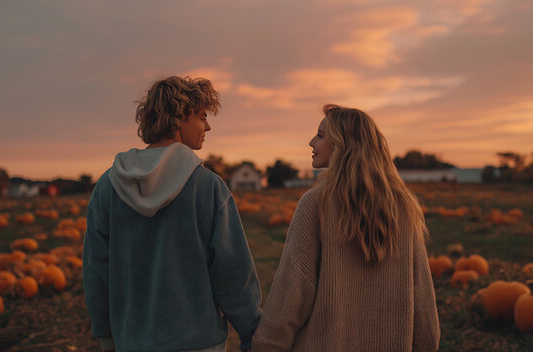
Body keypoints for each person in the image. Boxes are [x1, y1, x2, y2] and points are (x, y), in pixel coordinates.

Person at [84, 76, 262, 352]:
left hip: (132, 341)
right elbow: (233, 273)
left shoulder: (108, 186)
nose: (208, 125)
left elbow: (96, 270)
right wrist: (252, 333)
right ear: (179, 118)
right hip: (199, 343)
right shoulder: (207, 187)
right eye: (202, 116)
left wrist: (106, 334)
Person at [250, 104, 440, 351]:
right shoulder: (403, 207)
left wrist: (265, 346)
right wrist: (427, 344)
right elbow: (422, 296)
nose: (311, 142)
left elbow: (292, 292)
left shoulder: (315, 204)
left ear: (343, 143)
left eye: (320, 135)